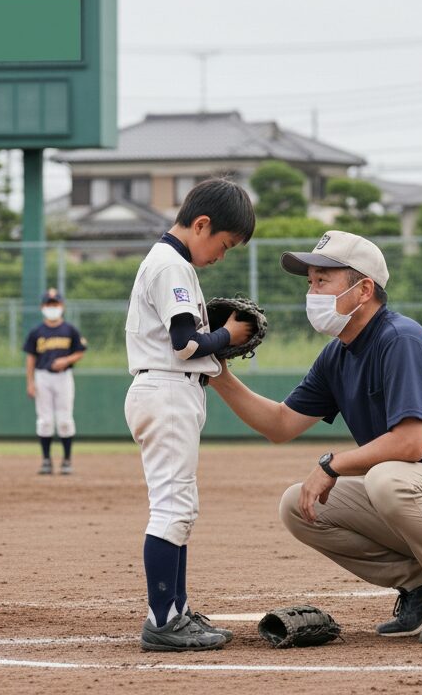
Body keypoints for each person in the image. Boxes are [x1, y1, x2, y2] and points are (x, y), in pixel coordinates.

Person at [210, 231, 422, 645]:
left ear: (362, 289)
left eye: (323, 280)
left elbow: (410, 444)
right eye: (310, 281)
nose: (312, 291)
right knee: (298, 505)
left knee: (387, 477)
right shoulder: (338, 353)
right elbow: (280, 424)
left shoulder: (400, 340)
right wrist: (217, 370)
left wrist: (331, 464)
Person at [123, 179, 255, 652]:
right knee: (172, 508)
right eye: (224, 243)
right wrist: (227, 335)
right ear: (201, 224)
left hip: (170, 391)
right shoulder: (170, 265)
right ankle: (162, 619)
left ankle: (175, 611)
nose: (222, 255)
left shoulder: (169, 263)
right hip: (166, 389)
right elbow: (187, 345)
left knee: (181, 507)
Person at [24, 288, 87, 475]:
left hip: (64, 377)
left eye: (55, 304)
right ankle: (46, 461)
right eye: (49, 304)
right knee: (44, 420)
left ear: (62, 306)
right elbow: (30, 359)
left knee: (65, 420)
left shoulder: (69, 329)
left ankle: (67, 460)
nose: (52, 307)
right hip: (42, 376)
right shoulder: (37, 331)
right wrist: (30, 382)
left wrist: (66, 360)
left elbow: (81, 350)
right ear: (43, 307)